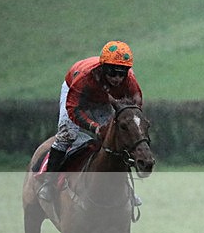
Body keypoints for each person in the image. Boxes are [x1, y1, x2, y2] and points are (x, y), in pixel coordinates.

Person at [38, 40, 143, 202]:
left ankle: (126, 189)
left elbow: (135, 107)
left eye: (122, 73)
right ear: (103, 68)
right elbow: (74, 109)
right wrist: (95, 128)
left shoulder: (129, 80)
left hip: (103, 97)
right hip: (77, 94)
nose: (117, 78)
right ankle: (48, 182)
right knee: (68, 134)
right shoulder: (84, 77)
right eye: (113, 73)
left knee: (115, 139)